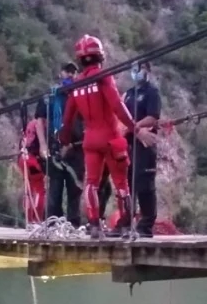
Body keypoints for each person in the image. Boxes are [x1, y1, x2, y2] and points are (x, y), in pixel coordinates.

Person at [58, 34, 137, 239]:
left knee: (91, 183)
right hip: (111, 139)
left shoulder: (76, 85)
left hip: (90, 140)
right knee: (121, 183)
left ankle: (94, 224)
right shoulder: (104, 77)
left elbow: (67, 119)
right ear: (100, 56)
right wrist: (135, 128)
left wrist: (64, 140)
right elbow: (118, 106)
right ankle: (126, 225)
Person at [37, 63, 84, 226]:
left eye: (73, 72)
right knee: (54, 192)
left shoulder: (81, 95)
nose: (70, 75)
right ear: (61, 73)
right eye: (67, 71)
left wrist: (73, 144)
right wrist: (42, 145)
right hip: (54, 149)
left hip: (76, 150)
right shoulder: (50, 96)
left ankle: (74, 225)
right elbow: (40, 121)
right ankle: (52, 224)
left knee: (75, 191)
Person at [118, 61, 161, 237]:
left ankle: (146, 224)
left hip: (145, 145)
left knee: (145, 184)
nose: (137, 73)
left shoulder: (152, 92)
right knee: (127, 184)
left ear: (148, 71)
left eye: (140, 69)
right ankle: (126, 221)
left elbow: (153, 117)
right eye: (134, 70)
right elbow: (119, 117)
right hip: (127, 144)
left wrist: (132, 127)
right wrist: (131, 129)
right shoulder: (128, 94)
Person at [18, 117, 47, 224]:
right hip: (34, 160)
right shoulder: (42, 125)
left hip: (23, 158)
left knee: (28, 190)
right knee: (40, 190)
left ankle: (28, 220)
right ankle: (36, 219)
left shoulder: (30, 124)